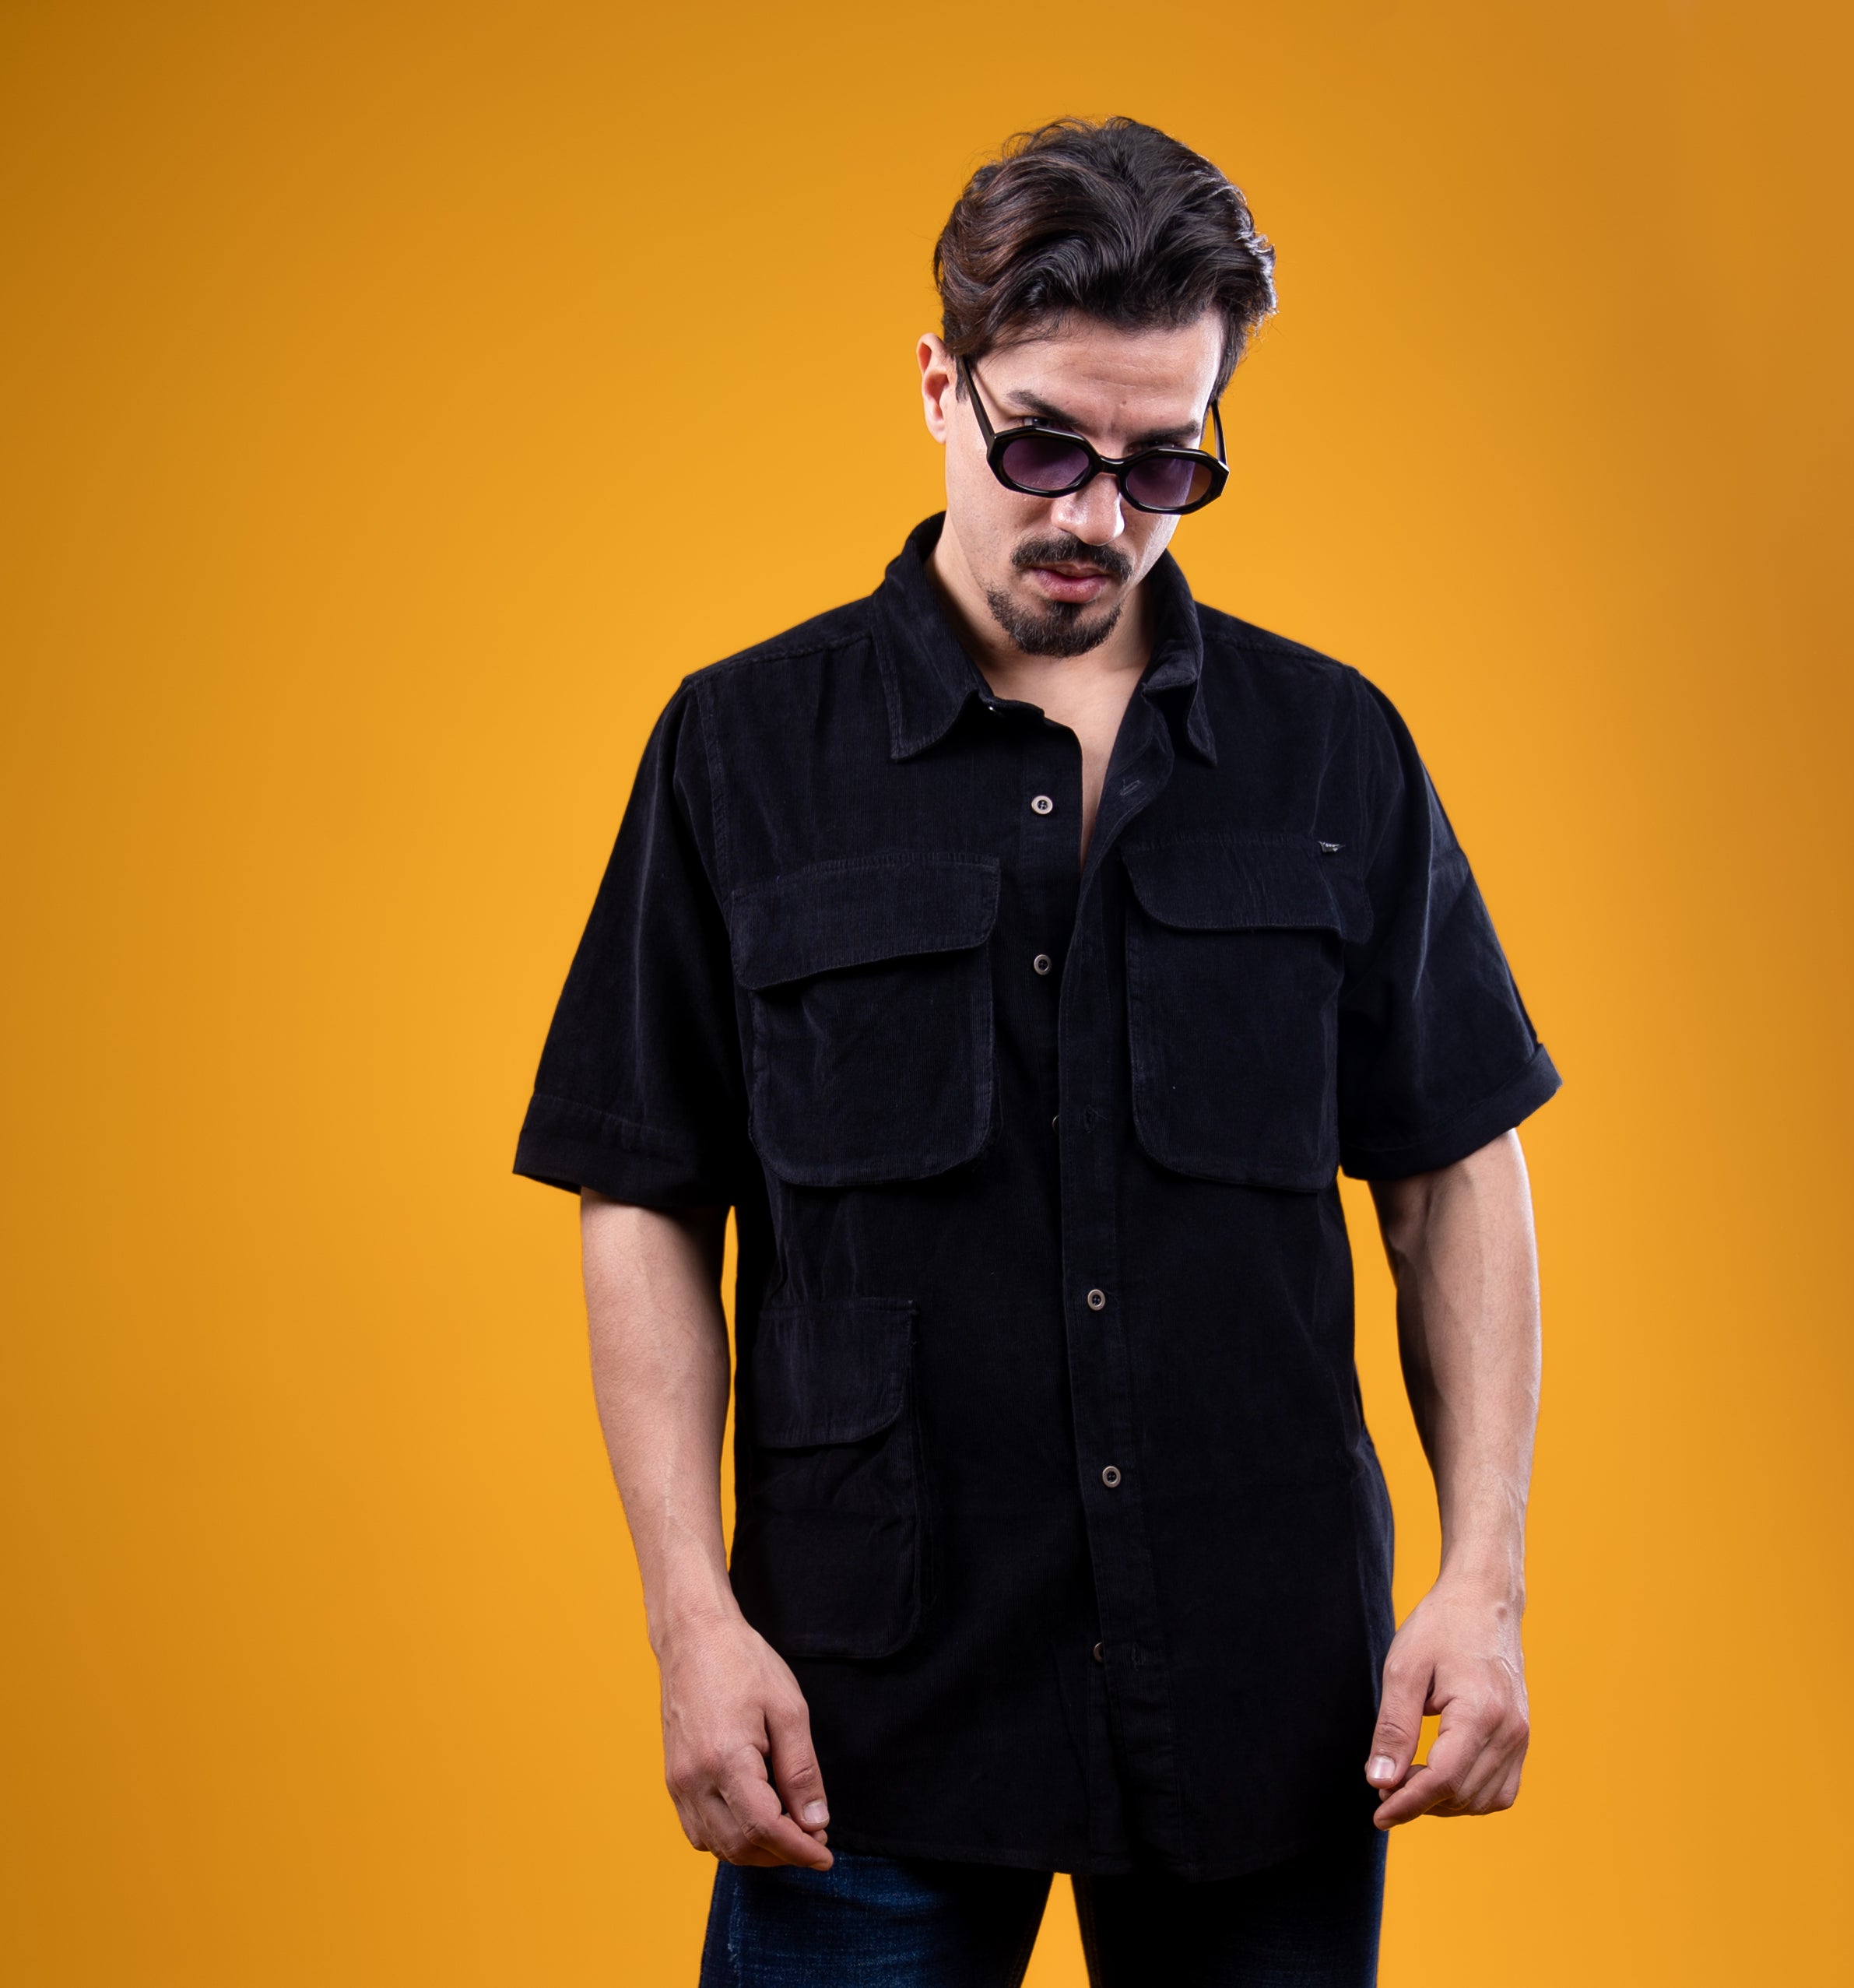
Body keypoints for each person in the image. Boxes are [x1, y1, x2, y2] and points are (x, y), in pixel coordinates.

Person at [515, 116, 1559, 1988]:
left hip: (1260, 1702)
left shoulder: (1330, 749)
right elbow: (643, 1194)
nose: (1095, 517)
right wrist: (690, 1622)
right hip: (863, 1716)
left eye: (1165, 463)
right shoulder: (739, 751)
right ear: (940, 385)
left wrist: (1479, 1578)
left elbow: (1451, 1168)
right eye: (1043, 447)